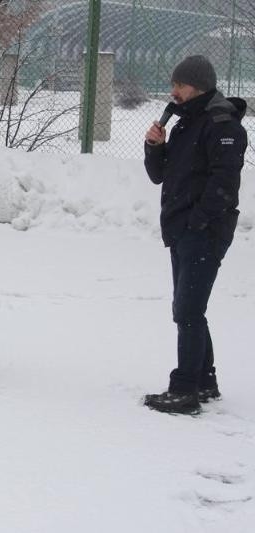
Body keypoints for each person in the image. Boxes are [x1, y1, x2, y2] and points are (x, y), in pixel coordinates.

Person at [142, 55, 247, 415]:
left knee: (187, 310)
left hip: (204, 232)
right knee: (189, 309)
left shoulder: (223, 126)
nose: (174, 92)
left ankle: (185, 389)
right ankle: (205, 380)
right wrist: (155, 147)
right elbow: (160, 176)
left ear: (199, 86)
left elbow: (225, 185)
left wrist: (197, 222)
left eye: (180, 85)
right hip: (183, 229)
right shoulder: (188, 122)